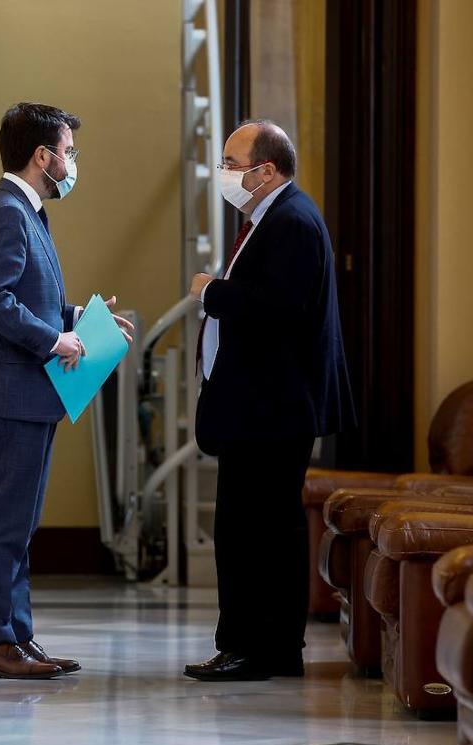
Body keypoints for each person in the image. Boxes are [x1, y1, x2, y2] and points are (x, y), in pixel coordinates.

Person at [0, 102, 133, 680]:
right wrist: (56, 340)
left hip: (24, 391)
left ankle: (17, 636)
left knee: (22, 522)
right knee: (8, 522)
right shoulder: (7, 212)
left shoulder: (24, 210)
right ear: (42, 155)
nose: (72, 162)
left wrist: (81, 320)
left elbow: (29, 295)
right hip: (9, 390)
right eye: (68, 152)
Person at [184, 119, 355, 681]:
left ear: (267, 170)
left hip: (272, 408)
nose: (225, 174)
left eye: (233, 164)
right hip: (260, 405)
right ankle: (270, 646)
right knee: (258, 527)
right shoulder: (271, 218)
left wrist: (211, 291)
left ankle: (253, 648)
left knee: (252, 530)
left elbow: (277, 308)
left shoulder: (292, 221)